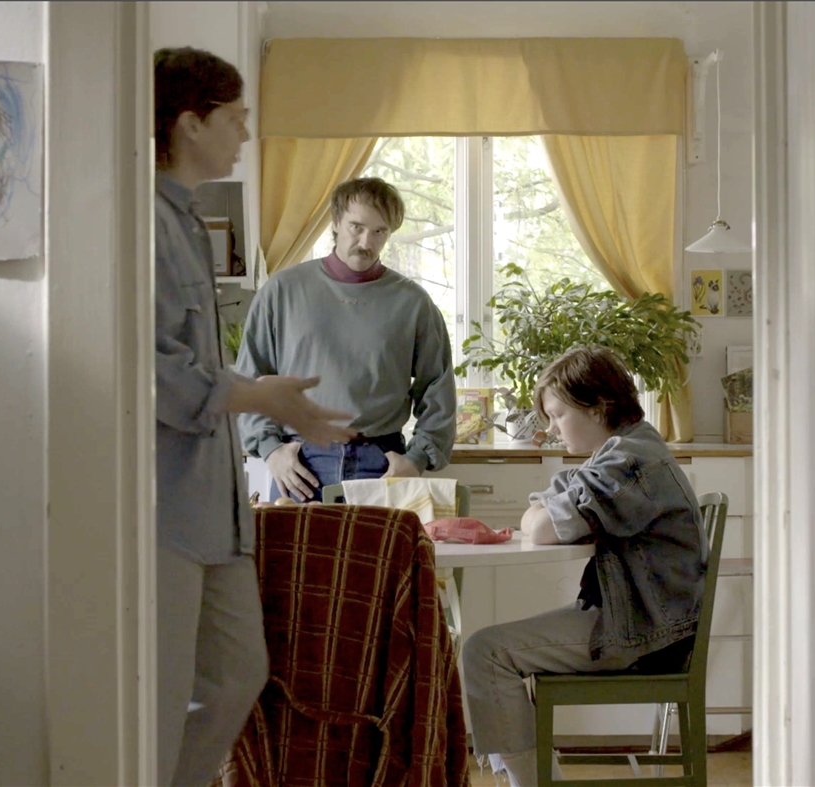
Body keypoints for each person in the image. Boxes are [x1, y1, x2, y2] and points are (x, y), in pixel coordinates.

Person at [152, 47, 357, 787]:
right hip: (163, 505)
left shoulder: (186, 220)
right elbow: (153, 371)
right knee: (157, 697)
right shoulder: (144, 223)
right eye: (235, 118)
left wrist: (271, 400)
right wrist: (262, 398)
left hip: (216, 508)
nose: (245, 132)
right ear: (190, 122)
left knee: (239, 673)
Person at [458, 345, 707, 787]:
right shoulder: (624, 451)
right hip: (643, 618)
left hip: (645, 632)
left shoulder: (629, 463)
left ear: (597, 407)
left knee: (485, 652)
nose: (552, 429)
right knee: (486, 648)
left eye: (558, 415)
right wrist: (543, 513)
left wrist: (542, 515)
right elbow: (541, 509)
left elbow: (541, 526)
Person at [236, 176, 456, 502]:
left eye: (379, 231)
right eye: (357, 227)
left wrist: (416, 459)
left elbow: (438, 386)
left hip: (382, 464)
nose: (366, 242)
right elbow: (250, 379)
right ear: (336, 222)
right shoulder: (281, 291)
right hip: (300, 465)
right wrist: (271, 450)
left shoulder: (413, 303)